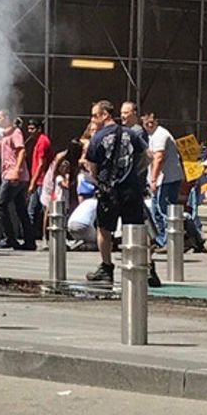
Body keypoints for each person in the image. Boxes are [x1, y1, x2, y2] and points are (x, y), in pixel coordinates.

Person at [81, 100, 150, 283]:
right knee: (136, 228)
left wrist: (101, 180)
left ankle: (106, 267)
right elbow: (146, 157)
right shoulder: (131, 134)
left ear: (105, 115)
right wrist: (134, 173)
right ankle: (145, 266)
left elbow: (92, 167)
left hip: (108, 191)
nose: (93, 119)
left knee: (104, 229)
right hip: (131, 190)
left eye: (95, 115)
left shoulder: (96, 139)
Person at [141, 111, 184, 250]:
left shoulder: (160, 135)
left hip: (167, 179)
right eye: (146, 122)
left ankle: (169, 242)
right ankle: (162, 240)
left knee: (164, 210)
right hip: (162, 180)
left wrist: (153, 179)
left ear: (156, 121)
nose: (149, 124)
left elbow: (158, 158)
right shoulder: (152, 135)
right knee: (156, 211)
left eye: (151, 121)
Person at [0, 110, 33, 250]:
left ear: (7, 118)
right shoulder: (5, 135)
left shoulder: (16, 133)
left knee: (0, 206)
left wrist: (16, 170)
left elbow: (21, 150)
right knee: (21, 208)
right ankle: (29, 241)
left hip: (13, 175)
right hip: (14, 175)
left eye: (0, 118)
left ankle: (10, 238)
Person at [24, 118, 53, 242]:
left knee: (38, 209)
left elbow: (41, 164)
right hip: (39, 181)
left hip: (41, 181)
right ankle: (32, 236)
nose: (30, 131)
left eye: (32, 129)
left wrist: (32, 182)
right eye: (29, 129)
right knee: (34, 209)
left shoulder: (42, 142)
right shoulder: (38, 141)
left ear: (39, 129)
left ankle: (37, 237)